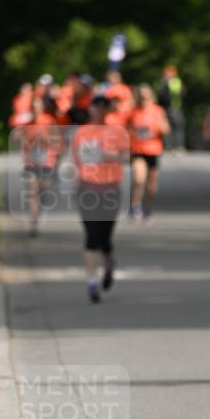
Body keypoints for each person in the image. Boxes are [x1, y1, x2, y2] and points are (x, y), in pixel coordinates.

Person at [71, 95, 130, 302]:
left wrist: (110, 156)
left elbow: (126, 155)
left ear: (107, 110)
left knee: (104, 237)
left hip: (110, 188)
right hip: (87, 188)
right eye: (96, 107)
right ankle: (91, 282)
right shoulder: (82, 132)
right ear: (90, 109)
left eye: (103, 107)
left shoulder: (117, 131)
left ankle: (110, 262)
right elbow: (76, 158)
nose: (99, 111)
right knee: (91, 236)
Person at [20, 95, 63, 236]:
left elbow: (57, 140)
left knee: (44, 188)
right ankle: (33, 225)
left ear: (42, 108)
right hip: (31, 162)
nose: (35, 109)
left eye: (38, 106)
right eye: (33, 106)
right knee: (33, 194)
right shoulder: (27, 124)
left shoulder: (49, 121)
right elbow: (21, 141)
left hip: (46, 161)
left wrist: (46, 141)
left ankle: (43, 199)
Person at [127, 84, 170, 222]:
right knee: (138, 179)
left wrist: (158, 125)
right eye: (141, 96)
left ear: (151, 96)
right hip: (137, 150)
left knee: (151, 185)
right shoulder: (132, 112)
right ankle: (135, 206)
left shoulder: (158, 111)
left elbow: (166, 130)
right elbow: (126, 129)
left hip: (153, 150)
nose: (143, 98)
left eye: (146, 95)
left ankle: (148, 206)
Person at [159, 65, 186, 151]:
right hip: (165, 108)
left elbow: (177, 93)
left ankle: (178, 146)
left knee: (177, 127)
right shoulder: (163, 82)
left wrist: (167, 83)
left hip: (174, 107)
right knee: (167, 128)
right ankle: (168, 146)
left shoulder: (175, 81)